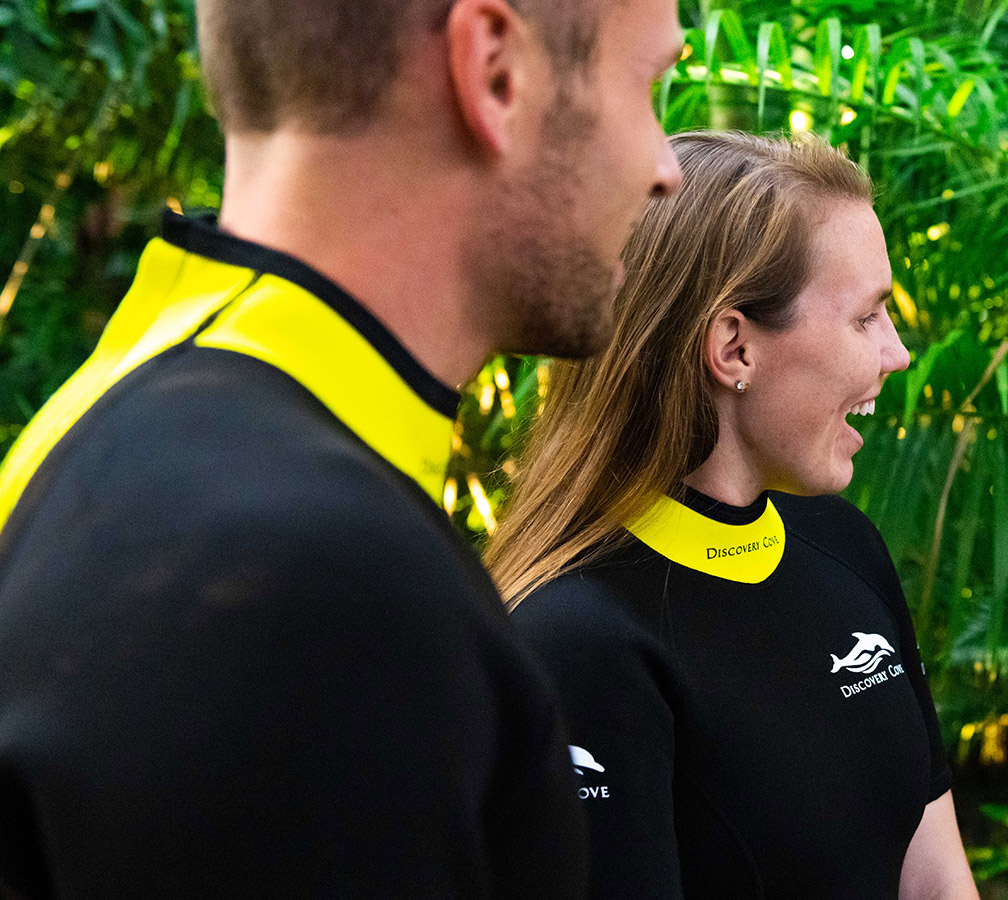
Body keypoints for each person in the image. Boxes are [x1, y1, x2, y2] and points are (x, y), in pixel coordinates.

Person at [0, 0, 682, 895]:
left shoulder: (145, 417)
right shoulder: (308, 578)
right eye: (648, 86)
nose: (668, 170)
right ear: (497, 73)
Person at [484, 131, 980, 900]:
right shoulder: (575, 639)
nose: (898, 354)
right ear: (733, 348)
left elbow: (937, 880)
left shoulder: (844, 544)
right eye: (866, 318)